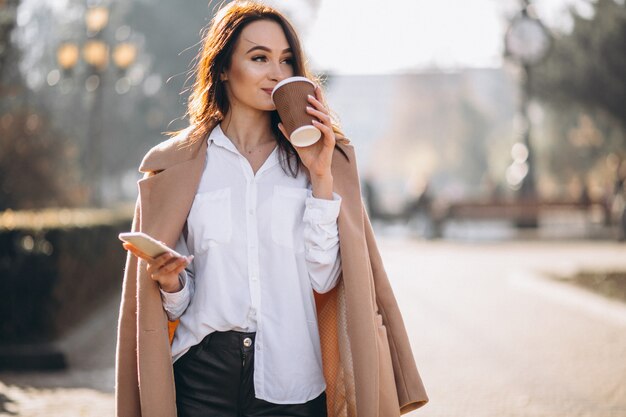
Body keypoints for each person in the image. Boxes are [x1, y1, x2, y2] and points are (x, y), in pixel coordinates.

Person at [115, 2, 428, 417]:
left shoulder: (322, 160)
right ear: (224, 68)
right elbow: (178, 299)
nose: (276, 72)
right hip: (200, 374)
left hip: (293, 379)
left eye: (285, 60)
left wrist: (319, 177)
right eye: (259, 57)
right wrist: (172, 285)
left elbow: (326, 278)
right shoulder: (177, 165)